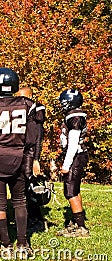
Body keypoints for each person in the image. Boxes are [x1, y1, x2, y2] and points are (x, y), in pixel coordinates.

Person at [0, 68, 36, 258]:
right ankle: (22, 243)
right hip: (18, 156)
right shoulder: (27, 104)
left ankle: (5, 245)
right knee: (20, 201)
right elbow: (32, 137)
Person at [56, 89, 89, 238]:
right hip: (78, 155)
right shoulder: (75, 115)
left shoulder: (75, 117)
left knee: (70, 191)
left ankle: (81, 228)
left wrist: (66, 164)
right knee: (74, 189)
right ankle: (77, 222)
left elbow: (73, 143)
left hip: (76, 156)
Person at [15, 87, 47, 233]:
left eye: (22, 97)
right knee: (20, 187)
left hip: (30, 153)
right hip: (19, 152)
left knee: (29, 186)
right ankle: (27, 218)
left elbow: (38, 137)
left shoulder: (36, 111)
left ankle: (37, 220)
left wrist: (36, 159)